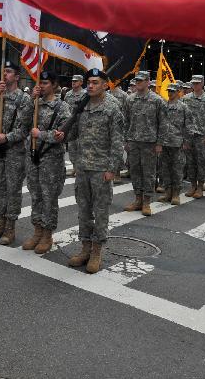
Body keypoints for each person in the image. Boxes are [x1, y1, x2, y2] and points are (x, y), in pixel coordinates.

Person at [59, 68, 125, 274]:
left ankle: (97, 251)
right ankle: (85, 248)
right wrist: (63, 134)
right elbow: (75, 133)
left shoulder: (113, 108)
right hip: (82, 166)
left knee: (101, 211)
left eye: (95, 82)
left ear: (105, 85)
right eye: (89, 82)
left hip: (101, 168)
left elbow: (117, 141)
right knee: (84, 211)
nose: (90, 85)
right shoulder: (82, 106)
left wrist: (112, 169)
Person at [19, 71, 70, 254]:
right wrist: (30, 101)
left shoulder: (62, 107)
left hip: (51, 159)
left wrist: (40, 134)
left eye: (45, 83)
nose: (41, 86)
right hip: (33, 158)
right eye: (39, 82)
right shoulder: (35, 104)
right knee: (35, 195)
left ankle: (47, 234)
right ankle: (37, 231)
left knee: (49, 197)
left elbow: (64, 135)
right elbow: (22, 123)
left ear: (54, 85)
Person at [0, 61, 31, 246]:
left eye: (9, 72)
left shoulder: (23, 99)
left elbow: (25, 129)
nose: (5, 74)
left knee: (12, 189)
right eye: (3, 71)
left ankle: (10, 227)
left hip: (14, 151)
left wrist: (7, 137)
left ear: (17, 77)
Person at [124, 70, 167, 215]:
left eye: (141, 80)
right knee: (135, 171)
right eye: (137, 80)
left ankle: (147, 202)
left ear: (148, 82)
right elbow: (126, 121)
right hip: (134, 141)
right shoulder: (129, 99)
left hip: (150, 143)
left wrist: (160, 143)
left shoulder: (157, 100)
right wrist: (126, 139)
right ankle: (138, 199)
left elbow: (163, 123)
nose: (138, 83)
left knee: (149, 173)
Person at [157, 82, 191, 206]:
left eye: (172, 91)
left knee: (177, 169)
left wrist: (186, 141)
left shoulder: (183, 107)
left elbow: (188, 126)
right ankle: (168, 192)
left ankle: (176, 194)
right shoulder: (163, 106)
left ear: (178, 92)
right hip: (164, 142)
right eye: (169, 91)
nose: (170, 93)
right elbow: (159, 124)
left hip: (177, 143)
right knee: (165, 169)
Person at [182, 74, 205, 198]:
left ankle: (200, 187)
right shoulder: (186, 98)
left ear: (202, 84)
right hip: (189, 135)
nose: (195, 85)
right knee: (190, 161)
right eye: (193, 83)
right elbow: (183, 118)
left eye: (197, 83)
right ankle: (192, 185)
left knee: (201, 161)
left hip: (201, 135)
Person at [62, 74, 85, 177]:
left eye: (76, 81)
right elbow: (65, 108)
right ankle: (75, 168)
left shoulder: (85, 94)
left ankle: (80, 169)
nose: (73, 82)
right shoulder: (68, 94)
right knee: (72, 149)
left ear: (81, 82)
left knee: (82, 149)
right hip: (71, 126)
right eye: (72, 81)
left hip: (82, 126)